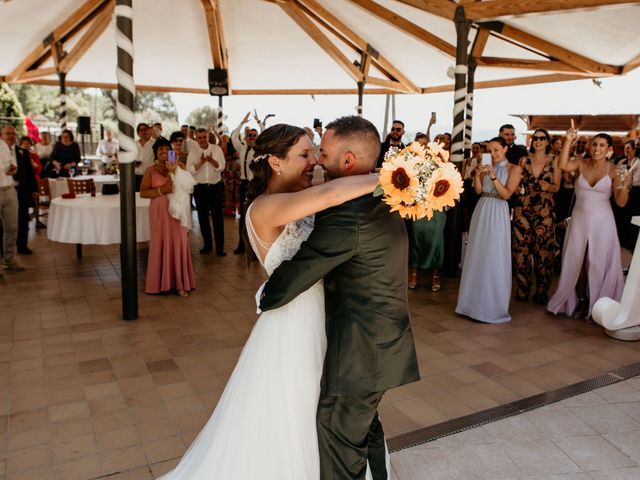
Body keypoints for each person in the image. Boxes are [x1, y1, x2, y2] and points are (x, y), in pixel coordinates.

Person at [158, 120, 410, 480]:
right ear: (275, 162)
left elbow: (336, 190)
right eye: (305, 154)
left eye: (315, 153)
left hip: (331, 318)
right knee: (298, 408)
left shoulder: (302, 193)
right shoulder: (265, 206)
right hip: (294, 322)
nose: (315, 163)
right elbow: (329, 196)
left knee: (339, 411)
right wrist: (399, 178)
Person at [261, 117, 419, 480]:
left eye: (323, 152)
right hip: (383, 342)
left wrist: (266, 296)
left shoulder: (349, 213)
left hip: (361, 353)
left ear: (347, 162)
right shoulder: (380, 198)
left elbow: (299, 272)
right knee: (366, 431)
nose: (317, 158)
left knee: (339, 442)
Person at [547, 127, 630, 320]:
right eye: (594, 144)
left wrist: (625, 185)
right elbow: (562, 165)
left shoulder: (618, 169)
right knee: (577, 262)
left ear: (609, 148)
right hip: (579, 221)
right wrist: (568, 140)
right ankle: (583, 301)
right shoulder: (581, 164)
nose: (597, 148)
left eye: (601, 145)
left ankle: (598, 304)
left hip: (603, 223)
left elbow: (621, 202)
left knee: (597, 262)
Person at [456, 137, 522, 323]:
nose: (492, 154)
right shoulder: (486, 167)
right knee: (478, 253)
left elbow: (507, 194)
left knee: (494, 255)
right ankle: (470, 305)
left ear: (505, 149)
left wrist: (492, 175)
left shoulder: (514, 169)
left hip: (498, 211)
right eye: (490, 151)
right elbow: (478, 191)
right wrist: (478, 175)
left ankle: (491, 307)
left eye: (496, 150)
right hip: (482, 209)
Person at [139, 137, 195, 297]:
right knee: (159, 244)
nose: (163, 152)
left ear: (171, 151)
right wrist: (162, 190)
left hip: (177, 212)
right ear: (156, 153)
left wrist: (175, 171)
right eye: (160, 150)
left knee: (179, 243)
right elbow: (143, 192)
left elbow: (189, 186)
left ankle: (180, 283)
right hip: (158, 211)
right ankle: (159, 284)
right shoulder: (150, 170)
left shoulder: (179, 166)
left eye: (166, 149)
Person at [512, 128, 560, 304]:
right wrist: (516, 189)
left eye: (542, 138)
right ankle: (523, 290)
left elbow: (557, 187)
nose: (538, 141)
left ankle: (541, 291)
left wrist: (549, 187)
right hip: (523, 210)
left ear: (547, 142)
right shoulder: (524, 161)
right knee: (521, 251)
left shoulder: (554, 162)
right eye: (535, 138)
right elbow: (516, 183)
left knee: (543, 252)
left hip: (544, 212)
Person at [185, 127, 226, 255]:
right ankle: (207, 245)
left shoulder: (216, 149)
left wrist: (211, 160)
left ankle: (220, 248)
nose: (202, 140)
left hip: (215, 187)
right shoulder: (193, 151)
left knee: (217, 218)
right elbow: (189, 170)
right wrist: (201, 162)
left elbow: (221, 167)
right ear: (196, 138)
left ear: (208, 137)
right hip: (200, 188)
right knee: (203, 218)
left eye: (204, 137)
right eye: (200, 138)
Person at [0, 127, 25, 274]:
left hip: (9, 190)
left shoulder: (6, 147)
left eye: (12, 134)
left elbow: (13, 165)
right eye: (7, 133)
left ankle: (9, 259)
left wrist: (13, 168)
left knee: (12, 227)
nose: (10, 136)